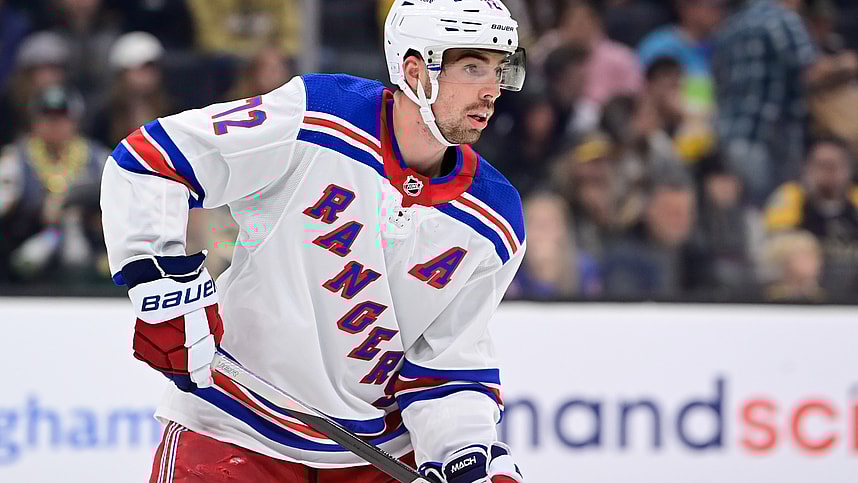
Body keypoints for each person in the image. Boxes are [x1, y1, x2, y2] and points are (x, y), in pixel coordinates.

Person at [99, 1, 527, 482]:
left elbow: (447, 366)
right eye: (472, 67)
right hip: (233, 428)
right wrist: (164, 289)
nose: (493, 91)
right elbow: (151, 160)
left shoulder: (496, 219)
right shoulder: (317, 117)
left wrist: (465, 455)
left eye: (500, 69)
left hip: (372, 460)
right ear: (415, 70)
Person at [764, 136, 858, 299]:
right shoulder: (792, 196)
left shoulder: (855, 199)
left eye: (835, 165)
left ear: (848, 169)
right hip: (805, 291)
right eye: (822, 165)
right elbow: (779, 246)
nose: (829, 172)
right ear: (807, 168)